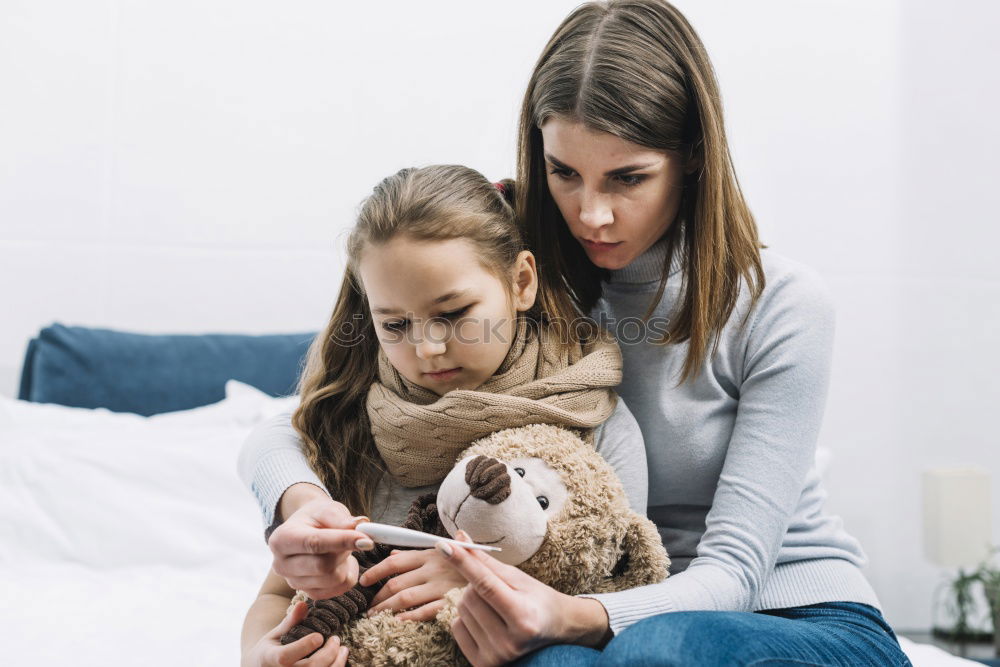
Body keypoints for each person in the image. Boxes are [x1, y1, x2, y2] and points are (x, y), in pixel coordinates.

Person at [240, 1, 914, 664]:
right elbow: (301, 421)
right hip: (575, 606)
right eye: (564, 172)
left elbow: (734, 572)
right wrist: (302, 503)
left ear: (693, 161)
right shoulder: (507, 276)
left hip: (786, 612)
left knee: (654, 647)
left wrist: (523, 592)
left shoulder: (781, 304)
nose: (592, 213)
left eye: (628, 178)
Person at [238, 164, 648, 667]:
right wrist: (261, 654)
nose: (427, 349)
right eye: (394, 324)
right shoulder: (351, 425)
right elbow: (278, 597)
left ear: (521, 281)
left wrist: (484, 576)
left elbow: (627, 589)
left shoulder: (594, 425)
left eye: (453, 315)